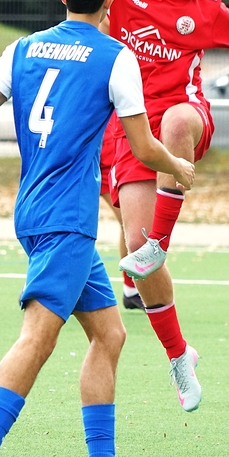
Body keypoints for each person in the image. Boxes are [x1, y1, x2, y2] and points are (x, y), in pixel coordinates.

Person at [0, 0, 195, 457]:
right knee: (39, 335)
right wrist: (177, 167)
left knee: (109, 334)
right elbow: (142, 147)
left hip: (37, 212)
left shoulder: (23, 48)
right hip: (66, 221)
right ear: (112, 0)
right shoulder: (117, 58)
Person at [53, 0, 229, 412]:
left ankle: (159, 242)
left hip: (183, 115)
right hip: (130, 132)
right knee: (136, 252)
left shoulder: (210, 10)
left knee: (175, 123)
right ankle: (180, 355)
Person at [99, 111, 145, 310]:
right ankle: (40, 281)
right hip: (89, 156)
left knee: (129, 224)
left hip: (112, 156)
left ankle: (131, 290)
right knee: (69, 225)